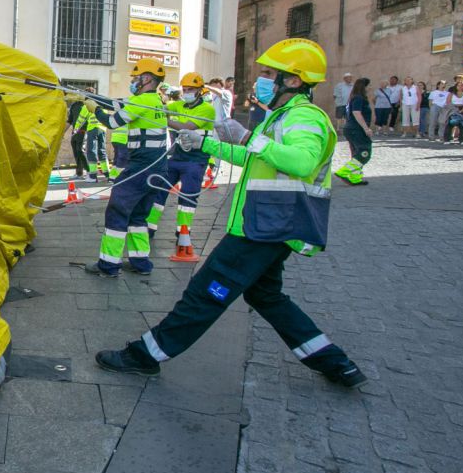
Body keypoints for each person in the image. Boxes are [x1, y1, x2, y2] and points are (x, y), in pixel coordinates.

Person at [95, 38, 367, 389]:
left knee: (206, 292)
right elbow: (257, 159)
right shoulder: (282, 116)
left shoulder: (305, 117)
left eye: (269, 74)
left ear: (294, 80)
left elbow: (302, 161)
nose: (260, 81)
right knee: (265, 296)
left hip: (265, 226)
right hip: (268, 223)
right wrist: (208, 144)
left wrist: (249, 137)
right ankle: (336, 363)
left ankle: (145, 355)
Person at [84, 58, 169, 277]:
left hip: (141, 167)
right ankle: (141, 262)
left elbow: (112, 122)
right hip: (158, 167)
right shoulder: (156, 101)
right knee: (139, 216)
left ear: (147, 78)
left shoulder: (141, 102)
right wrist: (96, 99)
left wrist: (94, 110)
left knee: (117, 210)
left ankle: (108, 264)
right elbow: (119, 103)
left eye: (136, 77)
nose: (134, 81)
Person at [146, 72, 215, 240]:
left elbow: (187, 127)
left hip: (196, 160)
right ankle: (149, 228)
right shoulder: (179, 105)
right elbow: (162, 109)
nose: (187, 92)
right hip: (177, 157)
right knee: (159, 190)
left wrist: (165, 120)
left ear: (200, 90)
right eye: (185, 89)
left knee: (188, 196)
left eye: (191, 89)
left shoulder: (207, 109)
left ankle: (183, 231)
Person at [334, 78, 373, 185]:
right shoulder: (359, 98)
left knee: (357, 152)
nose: (371, 87)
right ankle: (344, 171)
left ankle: (355, 177)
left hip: (351, 128)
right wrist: (366, 128)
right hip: (356, 129)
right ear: (364, 86)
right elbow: (356, 113)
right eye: (369, 85)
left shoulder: (354, 97)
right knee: (364, 152)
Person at [73, 100, 106, 181]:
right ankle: (107, 174)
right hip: (102, 129)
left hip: (92, 129)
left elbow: (81, 118)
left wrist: (76, 128)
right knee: (102, 151)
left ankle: (93, 176)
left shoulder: (87, 105)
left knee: (91, 151)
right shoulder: (101, 103)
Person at [67, 95, 87, 177]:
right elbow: (69, 121)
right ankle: (79, 172)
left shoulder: (87, 105)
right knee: (76, 152)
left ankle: (88, 171)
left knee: (80, 151)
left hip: (84, 131)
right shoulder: (74, 106)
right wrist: (62, 133)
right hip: (75, 132)